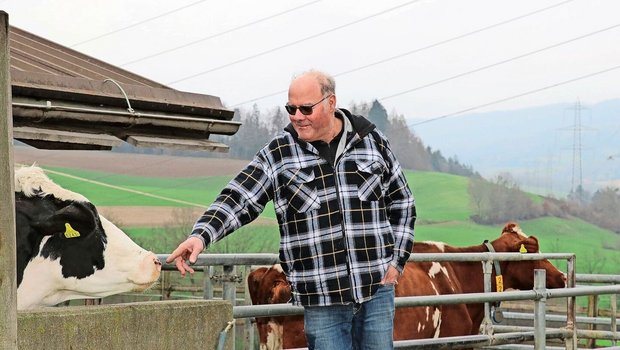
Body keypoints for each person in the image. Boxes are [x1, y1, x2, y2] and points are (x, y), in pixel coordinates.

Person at [167, 69, 416, 350]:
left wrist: (396, 262)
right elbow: (240, 196)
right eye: (291, 108)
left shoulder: (372, 142)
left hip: (376, 290)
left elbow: (402, 202)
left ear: (330, 103)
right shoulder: (280, 153)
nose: (297, 116)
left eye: (306, 108)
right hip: (322, 298)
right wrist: (201, 235)